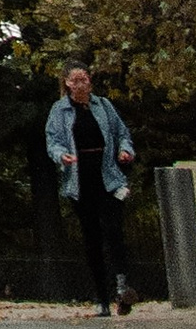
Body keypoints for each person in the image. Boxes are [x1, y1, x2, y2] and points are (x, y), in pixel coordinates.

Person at [45, 60, 137, 315]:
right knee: (92, 238)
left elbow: (122, 134)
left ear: (90, 81)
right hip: (80, 179)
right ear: (66, 83)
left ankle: (122, 287)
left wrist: (125, 151)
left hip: (108, 176)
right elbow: (53, 141)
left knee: (114, 230)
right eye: (75, 80)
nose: (80, 85)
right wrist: (61, 156)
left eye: (84, 79)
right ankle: (101, 298)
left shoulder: (104, 106)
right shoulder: (59, 111)